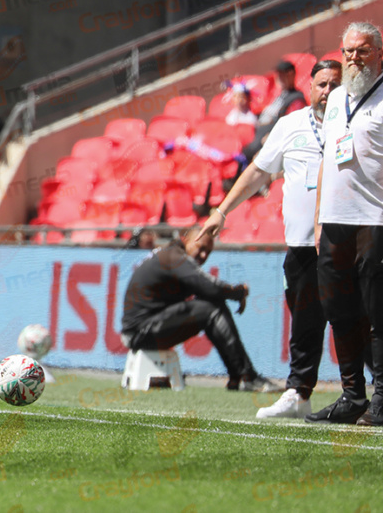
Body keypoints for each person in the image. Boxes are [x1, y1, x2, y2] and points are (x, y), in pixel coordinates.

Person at [200, 59, 342, 418]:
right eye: (322, 84)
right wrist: (221, 211)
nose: (328, 92)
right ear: (309, 88)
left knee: (360, 320)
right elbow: (258, 172)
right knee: (305, 323)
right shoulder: (290, 125)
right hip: (301, 245)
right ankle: (299, 393)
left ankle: (367, 394)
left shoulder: (355, 122)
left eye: (335, 85)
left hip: (348, 241)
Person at [311, 21, 383, 425]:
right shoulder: (336, 97)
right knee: (339, 311)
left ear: (379, 54)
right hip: (335, 222)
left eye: (364, 50)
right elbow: (326, 162)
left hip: (375, 220)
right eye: (349, 51)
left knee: (378, 313)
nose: (355, 57)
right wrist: (319, 218)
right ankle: (353, 395)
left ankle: (382, 399)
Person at [121, 226, 276, 392]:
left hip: (143, 329)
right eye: (201, 248)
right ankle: (246, 376)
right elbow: (210, 287)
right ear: (186, 239)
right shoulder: (175, 257)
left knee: (212, 305)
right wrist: (239, 292)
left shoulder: (172, 255)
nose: (203, 255)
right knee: (212, 309)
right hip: (140, 333)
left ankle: (239, 376)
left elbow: (207, 289)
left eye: (208, 252)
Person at [243, 61, 306, 159]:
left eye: (282, 74)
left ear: (291, 74)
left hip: (267, 146)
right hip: (254, 140)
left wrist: (273, 137)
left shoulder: (296, 99)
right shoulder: (280, 96)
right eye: (278, 74)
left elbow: (293, 125)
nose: (279, 77)